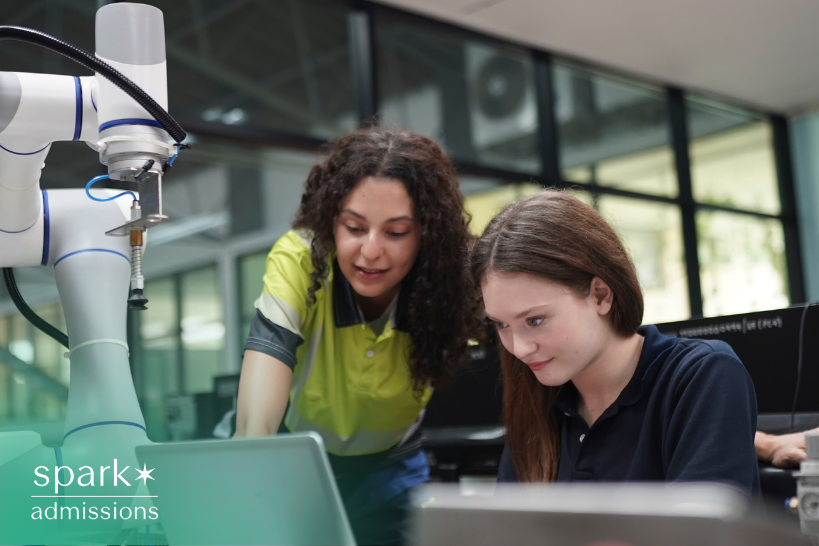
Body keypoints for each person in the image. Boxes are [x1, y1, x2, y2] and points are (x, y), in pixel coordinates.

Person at [234, 128, 479, 545]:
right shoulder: (302, 259)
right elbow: (263, 380)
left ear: (427, 234)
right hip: (300, 468)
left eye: (397, 232)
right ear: (332, 222)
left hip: (393, 471)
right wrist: (251, 474)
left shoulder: (450, 279)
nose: (370, 251)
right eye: (354, 227)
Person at [470, 190, 760, 495]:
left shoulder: (701, 376)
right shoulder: (535, 401)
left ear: (601, 295)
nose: (519, 348)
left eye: (535, 320)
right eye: (501, 324)